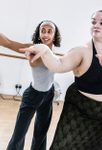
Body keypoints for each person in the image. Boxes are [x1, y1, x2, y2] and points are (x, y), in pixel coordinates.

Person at [21, 10, 102, 150]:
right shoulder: (81, 50)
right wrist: (44, 50)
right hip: (79, 114)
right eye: (93, 22)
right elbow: (59, 64)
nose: (96, 25)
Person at [0, 20, 61, 150]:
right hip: (33, 94)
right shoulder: (33, 48)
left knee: (41, 133)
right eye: (43, 31)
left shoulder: (54, 52)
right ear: (39, 34)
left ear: (55, 35)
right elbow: (8, 43)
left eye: (49, 31)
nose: (46, 34)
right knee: (19, 133)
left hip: (48, 95)